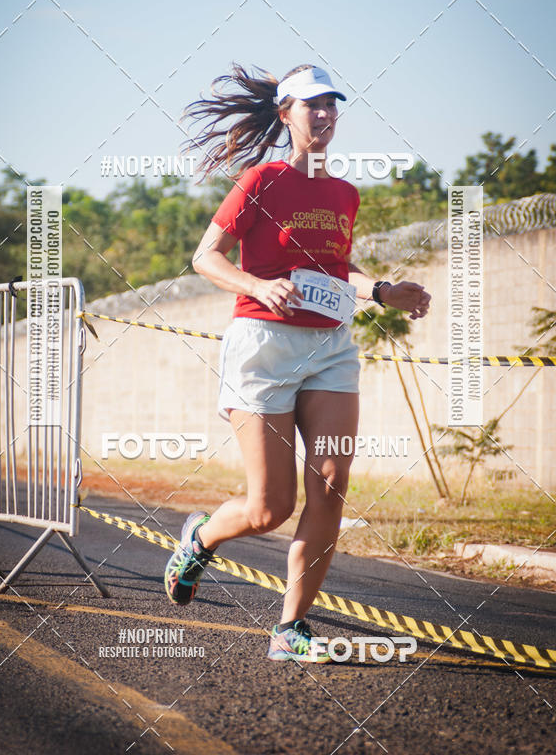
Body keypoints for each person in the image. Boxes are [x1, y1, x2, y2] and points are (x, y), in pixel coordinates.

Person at [164, 63, 431, 662]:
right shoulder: (262, 179)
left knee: (333, 483)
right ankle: (200, 538)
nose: (325, 114)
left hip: (331, 347)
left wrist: (384, 290)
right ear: (285, 113)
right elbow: (205, 257)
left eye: (332, 103)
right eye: (312, 105)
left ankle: (290, 629)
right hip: (262, 344)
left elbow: (339, 269)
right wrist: (257, 286)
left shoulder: (345, 192)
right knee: (270, 508)